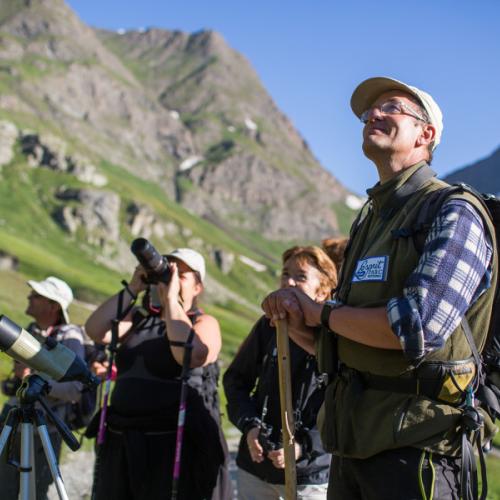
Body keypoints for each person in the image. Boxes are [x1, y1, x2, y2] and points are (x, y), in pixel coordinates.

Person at [262, 77, 498, 500]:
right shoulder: (371, 220)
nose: (373, 114)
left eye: (391, 107)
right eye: (369, 111)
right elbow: (348, 342)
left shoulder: (454, 210)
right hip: (353, 442)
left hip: (418, 448)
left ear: (425, 134)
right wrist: (299, 322)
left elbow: (419, 328)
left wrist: (324, 314)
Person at [85, 247, 231, 500]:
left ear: (198, 287)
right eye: (168, 271)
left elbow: (191, 355)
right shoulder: (138, 319)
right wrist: (133, 288)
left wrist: (172, 303)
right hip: (123, 441)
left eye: (181, 275)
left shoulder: (203, 323)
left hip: (172, 446)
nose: (171, 278)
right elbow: (95, 330)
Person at [224, 246, 337, 499]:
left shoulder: (333, 334)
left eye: (300, 276)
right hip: (255, 468)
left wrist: (301, 448)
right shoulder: (268, 326)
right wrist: (250, 426)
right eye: (285, 273)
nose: (288, 281)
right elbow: (236, 380)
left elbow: (342, 404)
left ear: (322, 289)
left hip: (309, 476)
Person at [0, 276, 85, 500]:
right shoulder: (29, 331)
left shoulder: (70, 337)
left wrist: (36, 379)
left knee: (35, 491)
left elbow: (75, 389)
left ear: (53, 306)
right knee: (3, 488)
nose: (29, 297)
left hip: (45, 428)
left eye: (36, 295)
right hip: (13, 418)